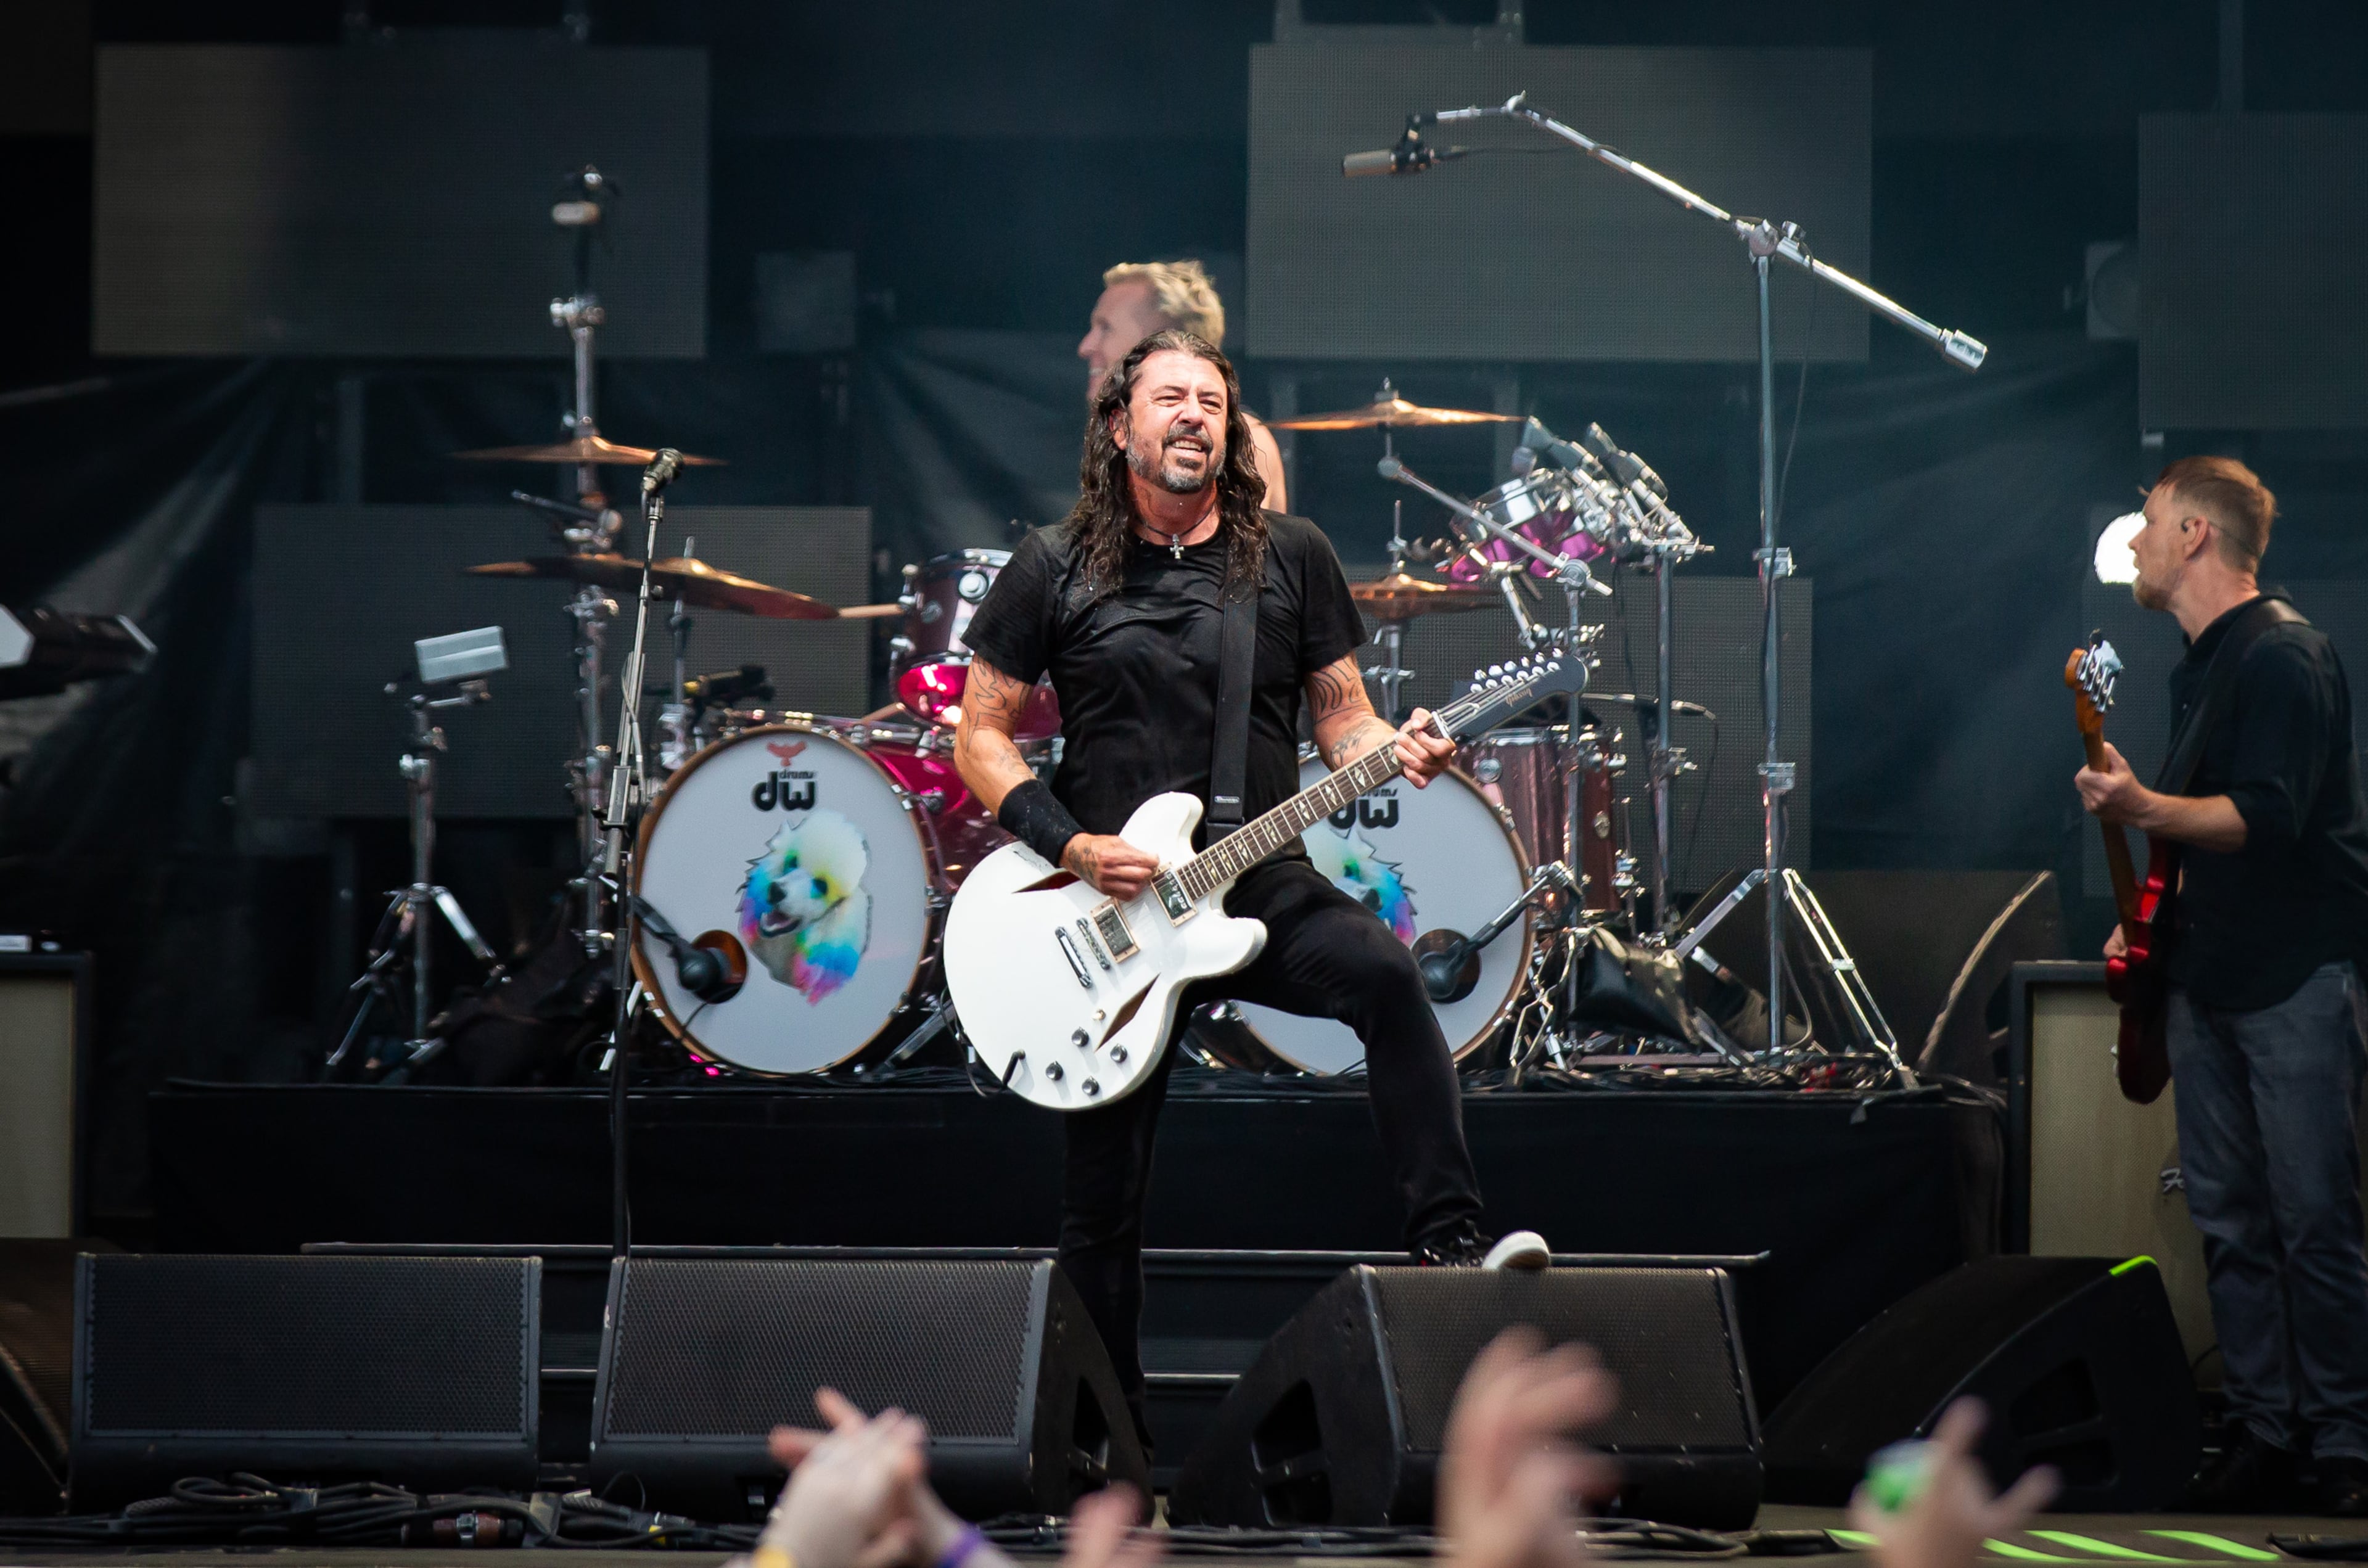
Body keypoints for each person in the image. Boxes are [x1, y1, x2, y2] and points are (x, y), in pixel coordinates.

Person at [952, 329, 1548, 1442]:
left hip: (1255, 878)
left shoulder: (1292, 556)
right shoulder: (1056, 562)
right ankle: (1105, 1442)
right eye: (1169, 397)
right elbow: (979, 736)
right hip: (1110, 910)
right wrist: (1072, 845)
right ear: (1121, 424)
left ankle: (1452, 1245)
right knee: (1103, 1197)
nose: (1193, 415)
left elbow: (1341, 714)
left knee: (1385, 973)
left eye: (1212, 403)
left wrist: (1397, 741)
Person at [2074, 455, 2368, 1516]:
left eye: (2150, 522)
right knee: (2232, 1220)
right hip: (2209, 970)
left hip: (2292, 975)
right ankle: (2261, 1429)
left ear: (2198, 533)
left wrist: (2143, 807)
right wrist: (2150, 896)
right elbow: (2205, 832)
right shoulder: (2198, 668)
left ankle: (2345, 1441)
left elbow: (2267, 817)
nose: (2138, 544)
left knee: (2313, 1216)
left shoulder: (2287, 656)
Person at [1078, 260, 1288, 512]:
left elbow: (1228, 550)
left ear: (1162, 341)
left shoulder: (1237, 439)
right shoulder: (1124, 435)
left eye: (1106, 328)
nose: (1086, 347)